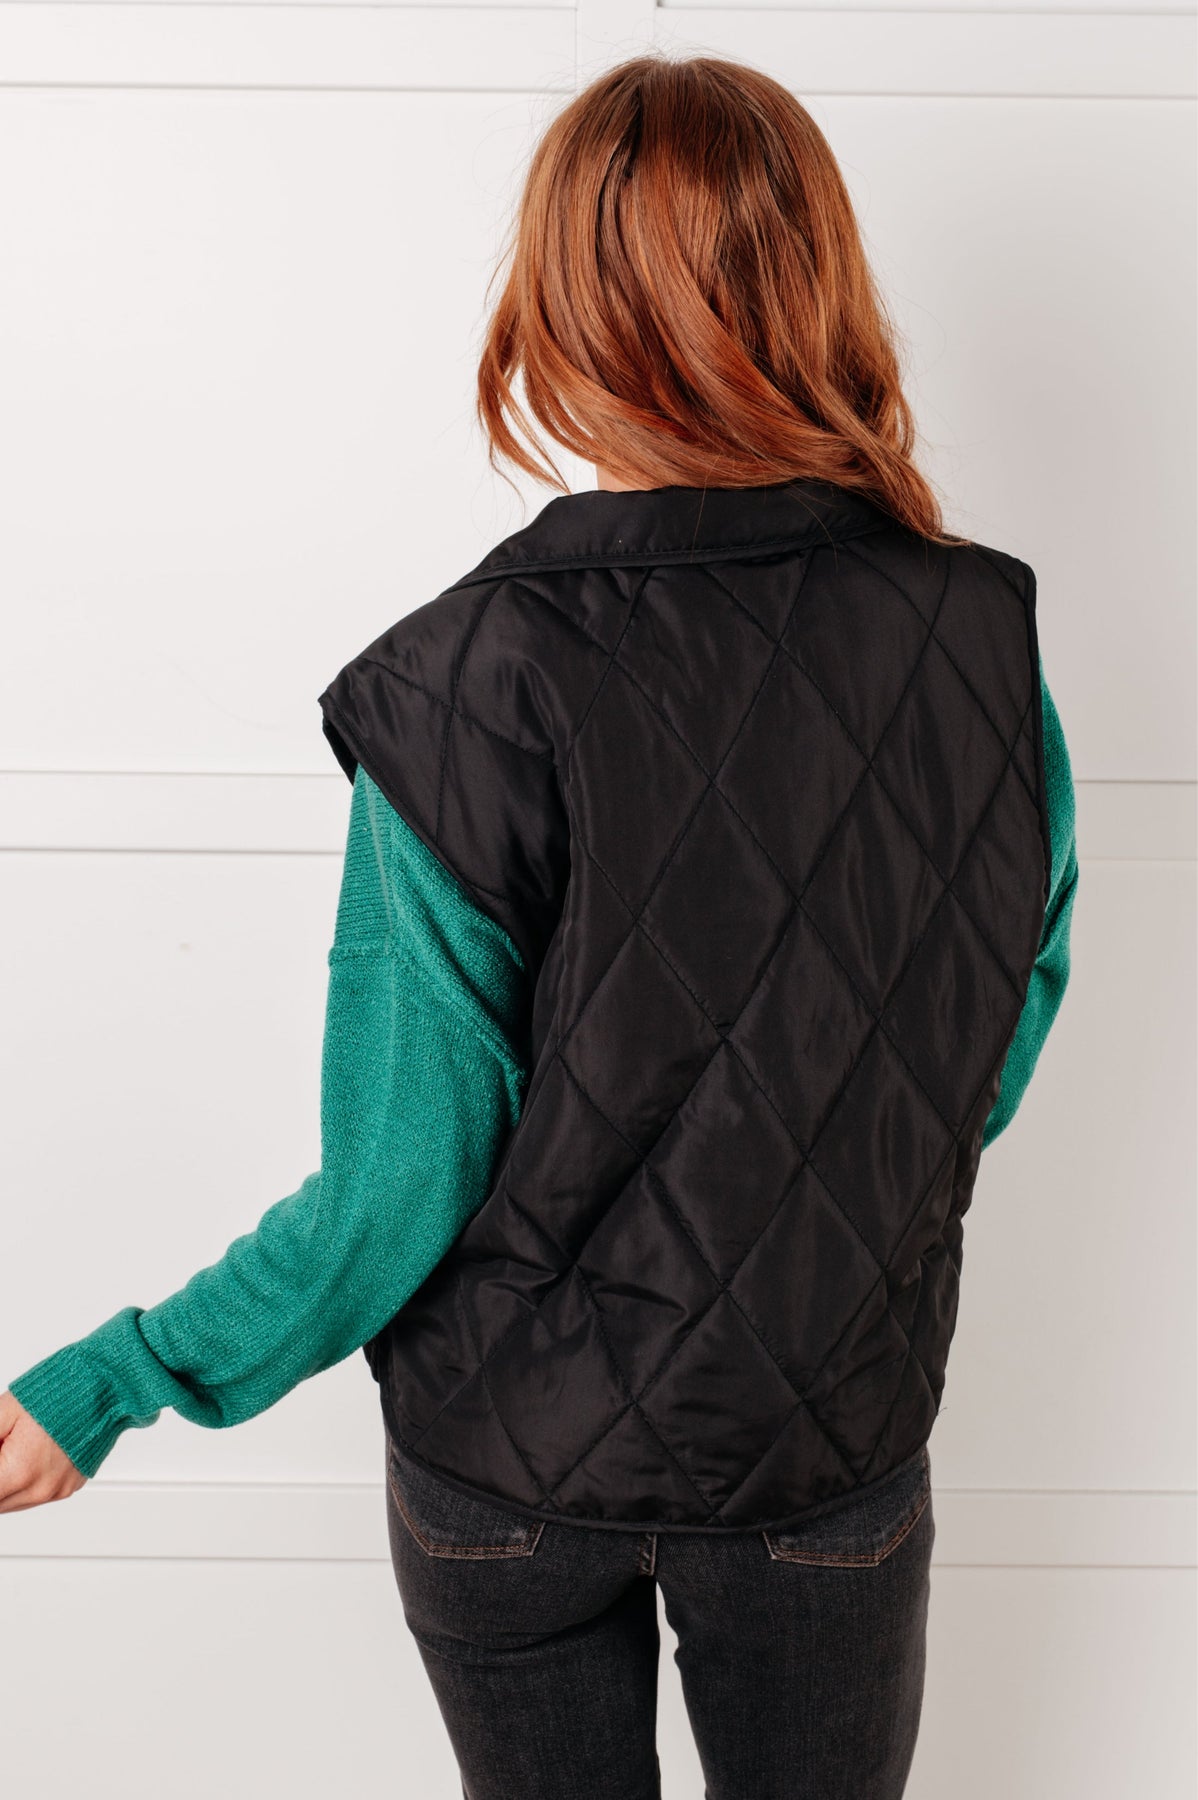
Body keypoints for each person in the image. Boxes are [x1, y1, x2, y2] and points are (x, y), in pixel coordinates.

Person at [0, 49, 1078, 1800]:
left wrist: (118, 1379)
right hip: (823, 1441)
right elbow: (990, 1032)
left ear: (558, 308)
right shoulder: (976, 642)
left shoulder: (465, 676)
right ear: (818, 285)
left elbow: (392, 1187)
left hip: (506, 1474)